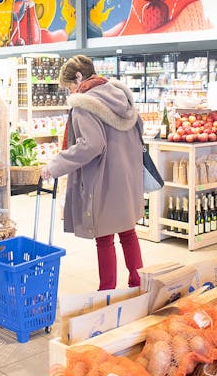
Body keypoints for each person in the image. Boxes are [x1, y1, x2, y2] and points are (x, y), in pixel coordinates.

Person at [40, 55, 145, 289]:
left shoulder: (85, 106)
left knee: (104, 237)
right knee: (128, 230)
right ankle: (138, 281)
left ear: (78, 78)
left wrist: (55, 165)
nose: (70, 92)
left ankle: (106, 290)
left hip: (103, 178)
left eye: (69, 86)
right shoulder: (121, 98)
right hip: (128, 176)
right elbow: (141, 129)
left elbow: (91, 145)